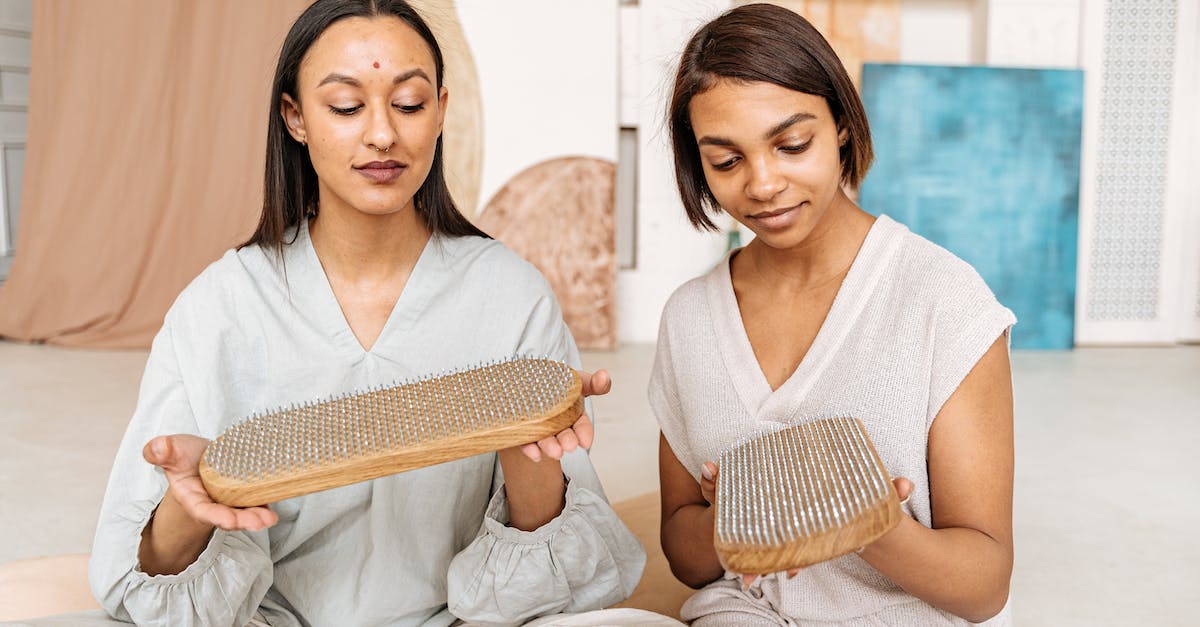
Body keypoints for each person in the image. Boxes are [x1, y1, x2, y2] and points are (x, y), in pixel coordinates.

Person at [85, 1, 646, 625]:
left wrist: (528, 452)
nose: (382, 134)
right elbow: (135, 583)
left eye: (408, 103)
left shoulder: (511, 296)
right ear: (295, 118)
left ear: (441, 112)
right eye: (347, 106)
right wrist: (188, 504)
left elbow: (559, 573)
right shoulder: (219, 308)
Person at [650, 4, 1015, 625]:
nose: (763, 184)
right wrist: (740, 517)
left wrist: (867, 525)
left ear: (842, 124)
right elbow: (687, 557)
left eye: (791, 144)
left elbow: (984, 587)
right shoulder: (690, 318)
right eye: (726, 161)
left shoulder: (943, 301)